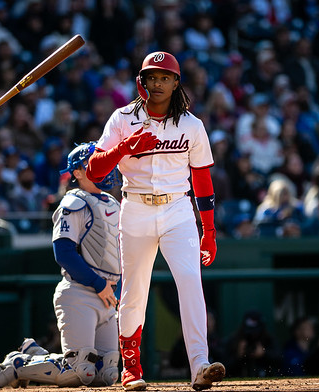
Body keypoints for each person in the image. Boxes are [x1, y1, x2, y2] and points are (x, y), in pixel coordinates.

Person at [85, 51, 225, 391]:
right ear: (141, 82)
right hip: (135, 209)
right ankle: (131, 368)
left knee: (191, 281)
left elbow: (203, 181)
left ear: (176, 82)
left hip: (178, 209)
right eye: (151, 77)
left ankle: (199, 366)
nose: (157, 83)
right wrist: (124, 148)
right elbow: (93, 169)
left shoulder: (192, 125)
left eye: (164, 77)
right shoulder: (121, 119)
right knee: (134, 290)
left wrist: (209, 230)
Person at [0, 142, 122, 388]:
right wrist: (98, 283)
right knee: (80, 370)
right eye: (93, 162)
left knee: (107, 374)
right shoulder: (74, 202)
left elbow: (117, 255)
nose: (103, 166)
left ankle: (36, 356)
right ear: (78, 173)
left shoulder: (113, 203)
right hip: (80, 292)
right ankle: (19, 366)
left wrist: (117, 289)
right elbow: (63, 253)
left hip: (107, 296)